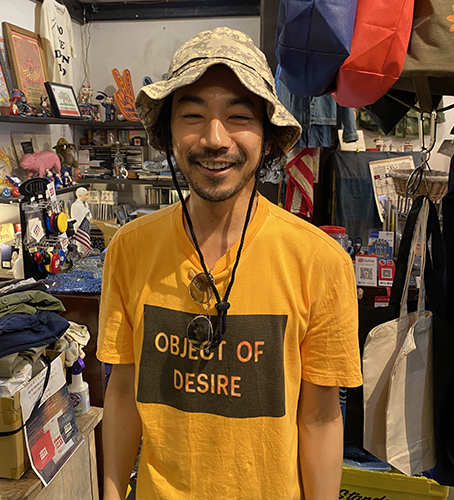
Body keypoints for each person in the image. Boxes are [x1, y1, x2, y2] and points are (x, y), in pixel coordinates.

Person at [97, 27, 362, 500]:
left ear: (267, 135)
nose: (215, 138)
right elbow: (122, 389)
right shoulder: (129, 250)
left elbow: (320, 418)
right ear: (169, 132)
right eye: (193, 115)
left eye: (239, 116)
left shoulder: (320, 262)